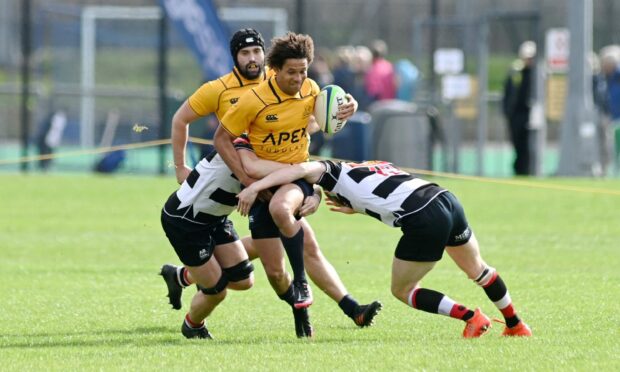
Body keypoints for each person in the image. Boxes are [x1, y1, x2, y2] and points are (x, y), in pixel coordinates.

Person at [161, 29, 381, 338]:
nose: (252, 59)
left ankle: (344, 307)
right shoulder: (232, 98)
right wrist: (183, 167)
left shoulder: (297, 85)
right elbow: (206, 131)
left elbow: (312, 121)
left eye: (256, 53)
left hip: (256, 195)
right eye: (244, 53)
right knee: (238, 283)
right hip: (199, 212)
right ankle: (190, 306)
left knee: (271, 254)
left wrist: (345, 109)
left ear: (266, 59)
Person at [235, 145, 532, 338]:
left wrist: (256, 187)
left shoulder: (329, 169)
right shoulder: (371, 164)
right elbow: (381, 192)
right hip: (446, 199)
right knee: (478, 269)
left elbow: (300, 170)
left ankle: (471, 317)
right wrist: (355, 206)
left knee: (401, 290)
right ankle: (515, 324)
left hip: (423, 216)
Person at [502, 41, 536, 176]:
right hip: (516, 115)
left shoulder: (537, 73)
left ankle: (528, 170)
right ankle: (519, 170)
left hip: (530, 114)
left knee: (529, 145)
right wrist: (507, 112)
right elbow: (508, 92)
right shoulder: (516, 71)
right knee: (518, 145)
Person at [364, 39, 396, 105]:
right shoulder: (390, 66)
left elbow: (373, 92)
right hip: (392, 104)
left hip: (379, 106)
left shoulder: (372, 69)